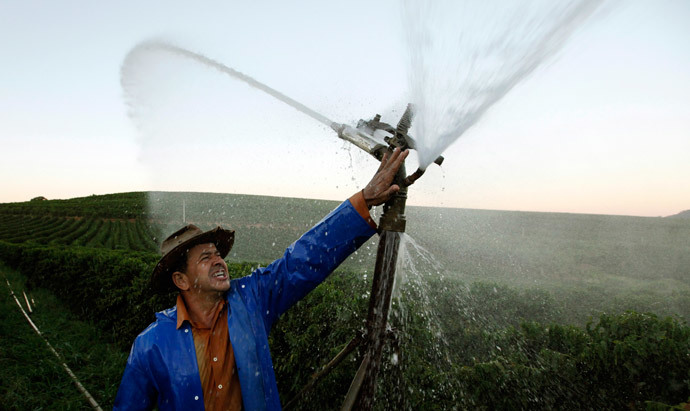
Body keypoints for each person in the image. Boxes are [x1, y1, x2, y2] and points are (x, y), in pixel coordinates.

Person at [114, 148, 409, 410]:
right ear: (181, 280)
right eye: (205, 258)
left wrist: (363, 200)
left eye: (218, 254)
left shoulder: (251, 300)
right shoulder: (151, 344)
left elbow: (301, 261)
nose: (219, 260)